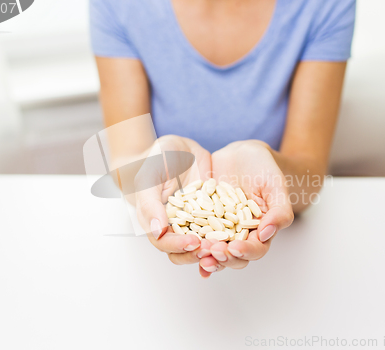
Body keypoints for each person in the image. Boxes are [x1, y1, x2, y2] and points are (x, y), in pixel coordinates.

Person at [90, 0, 356, 278]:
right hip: (155, 274)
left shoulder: (326, 5)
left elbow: (308, 176)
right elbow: (126, 159)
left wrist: (271, 170)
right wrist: (148, 172)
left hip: (286, 265)